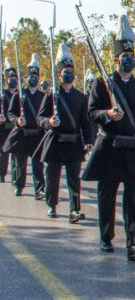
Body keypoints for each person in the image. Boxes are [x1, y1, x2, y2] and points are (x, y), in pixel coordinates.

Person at [82, 15, 135, 260]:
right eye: (125, 57)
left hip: (134, 149)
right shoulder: (102, 84)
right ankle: (106, 237)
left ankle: (134, 243)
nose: (129, 61)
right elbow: (91, 113)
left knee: (133, 198)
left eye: (132, 57)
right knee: (107, 196)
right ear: (115, 60)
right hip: (110, 148)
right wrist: (108, 114)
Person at [35, 43, 93, 222]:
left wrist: (88, 140)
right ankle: (52, 205)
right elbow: (40, 117)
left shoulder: (81, 97)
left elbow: (85, 121)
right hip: (55, 141)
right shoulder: (52, 94)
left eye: (71, 71)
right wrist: (49, 122)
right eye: (65, 71)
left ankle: (74, 209)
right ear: (59, 75)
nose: (69, 74)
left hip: (74, 142)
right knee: (52, 177)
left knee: (74, 178)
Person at [3, 53, 45, 198]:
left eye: (35, 76)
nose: (33, 78)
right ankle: (19, 186)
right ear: (26, 78)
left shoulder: (43, 96)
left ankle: (39, 189)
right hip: (22, 133)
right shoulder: (19, 95)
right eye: (30, 76)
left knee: (38, 164)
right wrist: (17, 121)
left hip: (37, 134)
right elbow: (11, 113)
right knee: (20, 163)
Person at [1, 58, 20, 185]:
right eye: (10, 78)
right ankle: (1, 174)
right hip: (3, 127)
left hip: (16, 127)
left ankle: (15, 177)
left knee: (15, 154)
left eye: (14, 78)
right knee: (3, 152)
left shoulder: (20, 94)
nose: (12, 80)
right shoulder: (2, 94)